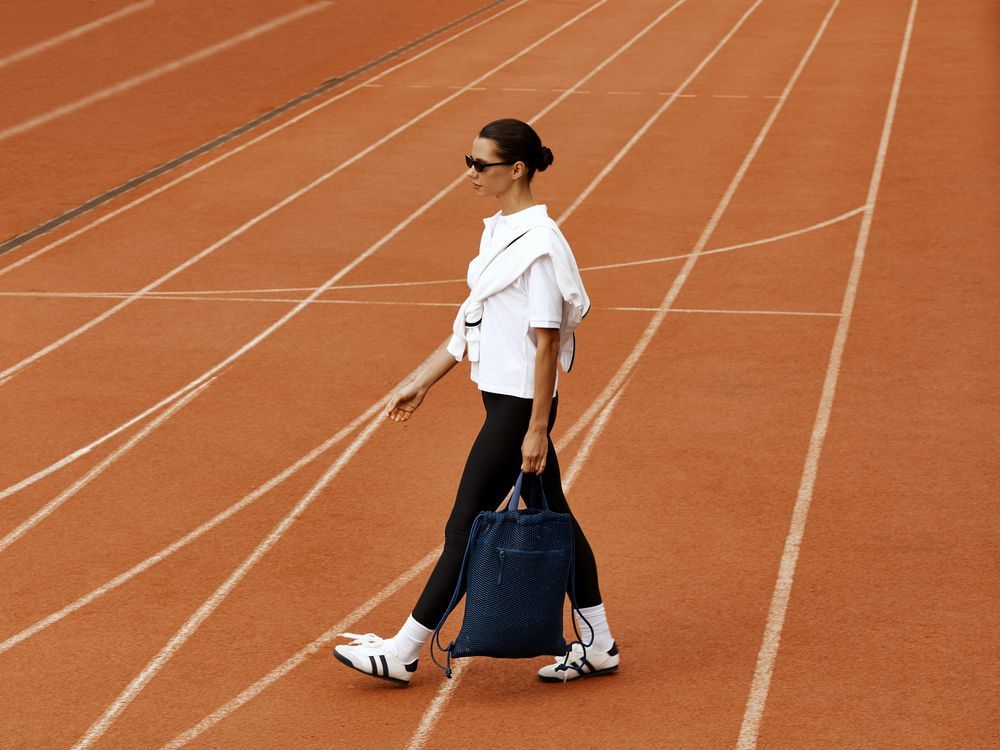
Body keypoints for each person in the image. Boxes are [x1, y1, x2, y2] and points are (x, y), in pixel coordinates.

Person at [333, 118, 619, 685]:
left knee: (463, 528)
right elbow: (473, 319)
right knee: (558, 520)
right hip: (505, 405)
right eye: (469, 161)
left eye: (480, 164)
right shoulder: (500, 231)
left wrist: (536, 429)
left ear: (517, 169)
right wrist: (423, 379)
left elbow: (546, 343)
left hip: (518, 410)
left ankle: (404, 651)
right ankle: (600, 643)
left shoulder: (539, 246)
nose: (470, 172)